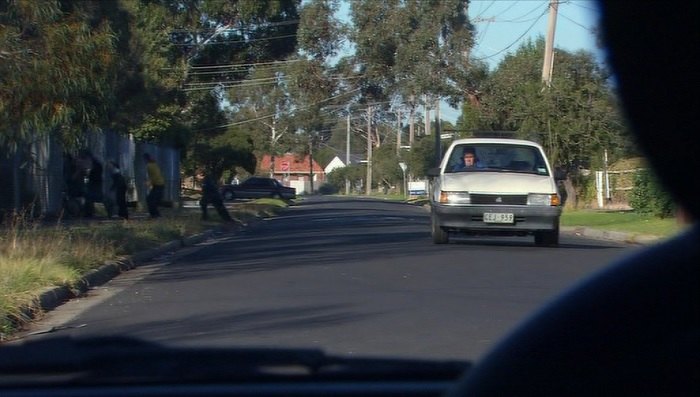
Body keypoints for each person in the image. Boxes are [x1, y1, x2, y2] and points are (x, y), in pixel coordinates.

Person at [81, 151, 103, 218]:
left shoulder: (95, 164)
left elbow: (93, 174)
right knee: (88, 197)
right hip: (94, 184)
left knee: (89, 196)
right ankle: (89, 212)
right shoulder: (95, 163)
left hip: (95, 184)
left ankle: (88, 213)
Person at [143, 153, 164, 218]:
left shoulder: (149, 166)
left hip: (158, 185)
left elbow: (156, 175)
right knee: (150, 199)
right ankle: (154, 214)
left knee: (151, 200)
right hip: (158, 185)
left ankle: (155, 215)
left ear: (145, 159)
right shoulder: (154, 164)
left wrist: (150, 182)